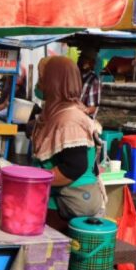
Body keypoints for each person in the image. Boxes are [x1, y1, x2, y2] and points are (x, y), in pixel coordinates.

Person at [31, 56, 104, 232]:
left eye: (42, 78)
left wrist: (32, 181)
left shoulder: (69, 118)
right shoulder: (55, 113)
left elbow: (74, 167)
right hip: (57, 203)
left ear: (54, 83)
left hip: (72, 208)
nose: (39, 84)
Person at [78, 47, 101, 119]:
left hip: (85, 120)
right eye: (81, 58)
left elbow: (92, 108)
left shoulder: (93, 81)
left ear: (92, 63)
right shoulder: (75, 76)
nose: (82, 61)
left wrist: (77, 112)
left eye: (86, 60)